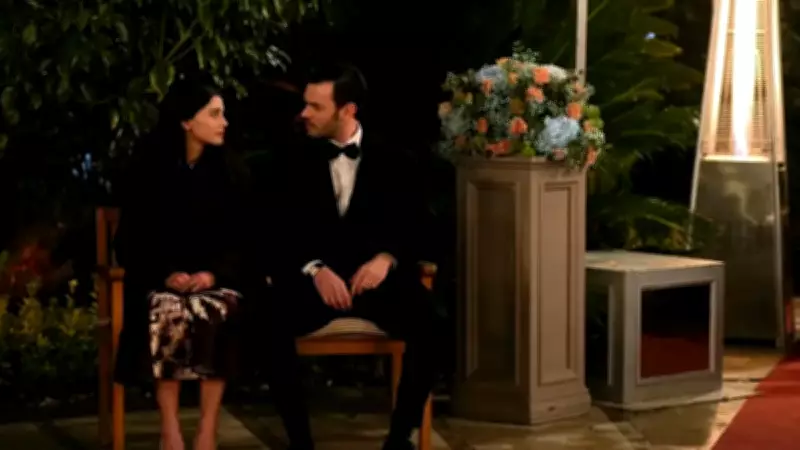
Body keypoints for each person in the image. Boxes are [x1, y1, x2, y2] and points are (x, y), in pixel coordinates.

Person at [260, 64, 438, 450]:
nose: (304, 113)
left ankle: (399, 438)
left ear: (348, 110)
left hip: (375, 286)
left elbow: (421, 228)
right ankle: (300, 442)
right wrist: (314, 269)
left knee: (430, 322)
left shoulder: (397, 160)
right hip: (314, 286)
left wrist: (386, 258)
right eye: (305, 104)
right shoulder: (290, 160)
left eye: (315, 107)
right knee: (268, 319)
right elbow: (273, 232)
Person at [113, 77, 249, 450]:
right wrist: (165, 274)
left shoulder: (230, 172)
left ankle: (207, 429)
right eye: (215, 114)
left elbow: (245, 238)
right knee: (167, 308)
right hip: (160, 280)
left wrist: (212, 273)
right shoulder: (148, 169)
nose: (224, 123)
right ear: (187, 121)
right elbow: (130, 239)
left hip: (214, 280)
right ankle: (170, 428)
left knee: (216, 307)